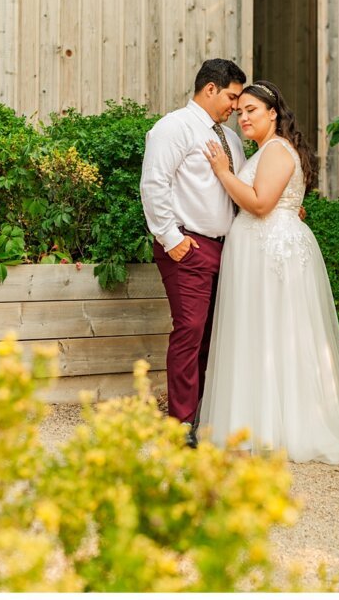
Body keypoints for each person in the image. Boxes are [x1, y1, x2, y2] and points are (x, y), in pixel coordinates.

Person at [198, 80, 339, 464]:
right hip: (263, 249)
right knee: (261, 336)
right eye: (240, 111)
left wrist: (221, 171)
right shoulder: (269, 151)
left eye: (252, 110)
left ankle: (279, 429)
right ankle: (257, 423)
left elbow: (261, 203)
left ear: (273, 113)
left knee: (274, 334)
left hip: (271, 251)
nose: (244, 117)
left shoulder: (277, 150)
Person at [140, 58, 247, 448]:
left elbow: (240, 188)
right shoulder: (173, 128)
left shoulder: (230, 140)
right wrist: (172, 239)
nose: (235, 106)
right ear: (211, 89)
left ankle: (204, 413)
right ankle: (181, 424)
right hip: (188, 246)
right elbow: (154, 184)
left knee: (213, 337)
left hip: (226, 250)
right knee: (189, 333)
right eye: (232, 97)